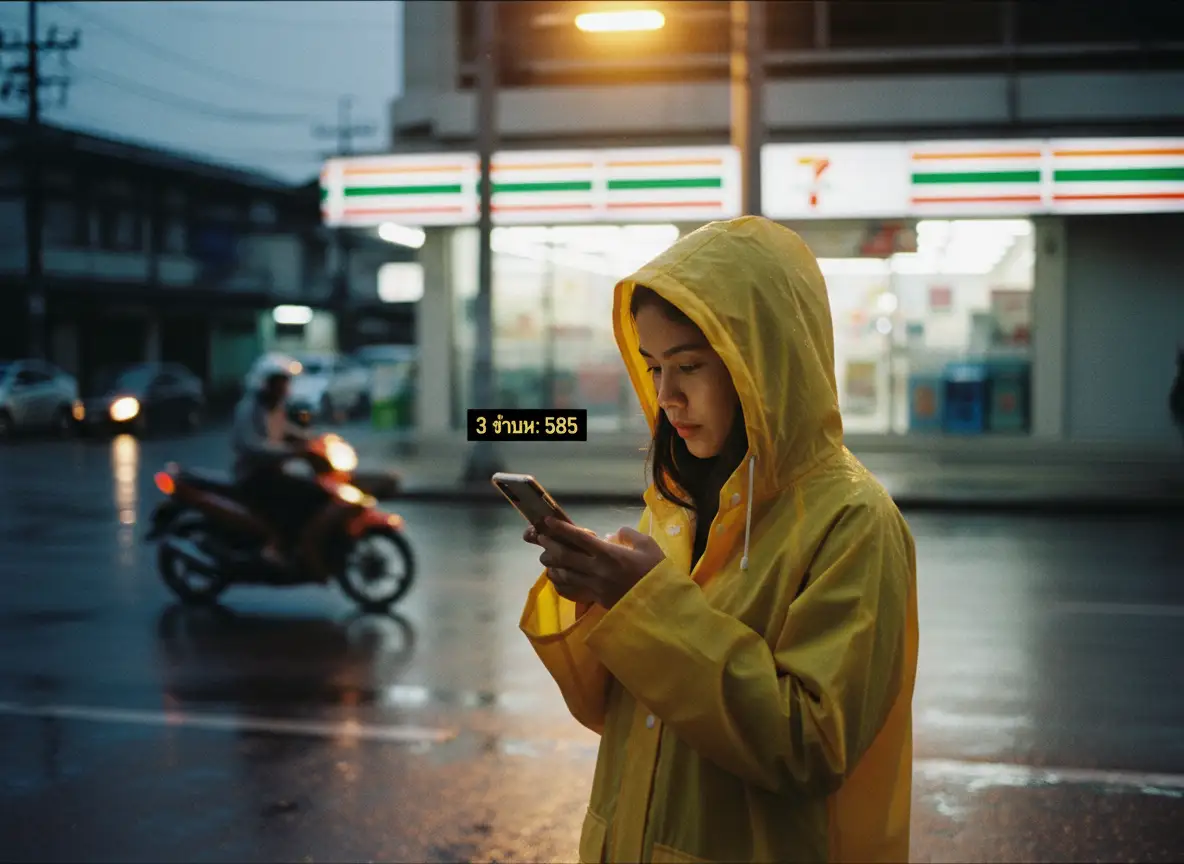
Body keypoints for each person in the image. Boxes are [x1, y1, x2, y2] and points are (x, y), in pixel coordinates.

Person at [519, 216, 919, 863]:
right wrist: (599, 599)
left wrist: (644, 606)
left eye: (688, 366)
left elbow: (810, 746)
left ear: (763, 364)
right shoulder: (680, 503)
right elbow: (619, 713)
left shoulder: (854, 521)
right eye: (652, 367)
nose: (667, 396)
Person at [230, 364, 324, 568]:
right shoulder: (248, 408)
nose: (283, 388)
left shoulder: (275, 406)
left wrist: (313, 440)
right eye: (278, 383)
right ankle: (274, 546)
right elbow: (249, 445)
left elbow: (286, 429)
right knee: (297, 497)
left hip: (273, 470)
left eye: (284, 383)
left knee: (312, 489)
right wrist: (291, 451)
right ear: (266, 384)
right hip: (253, 475)